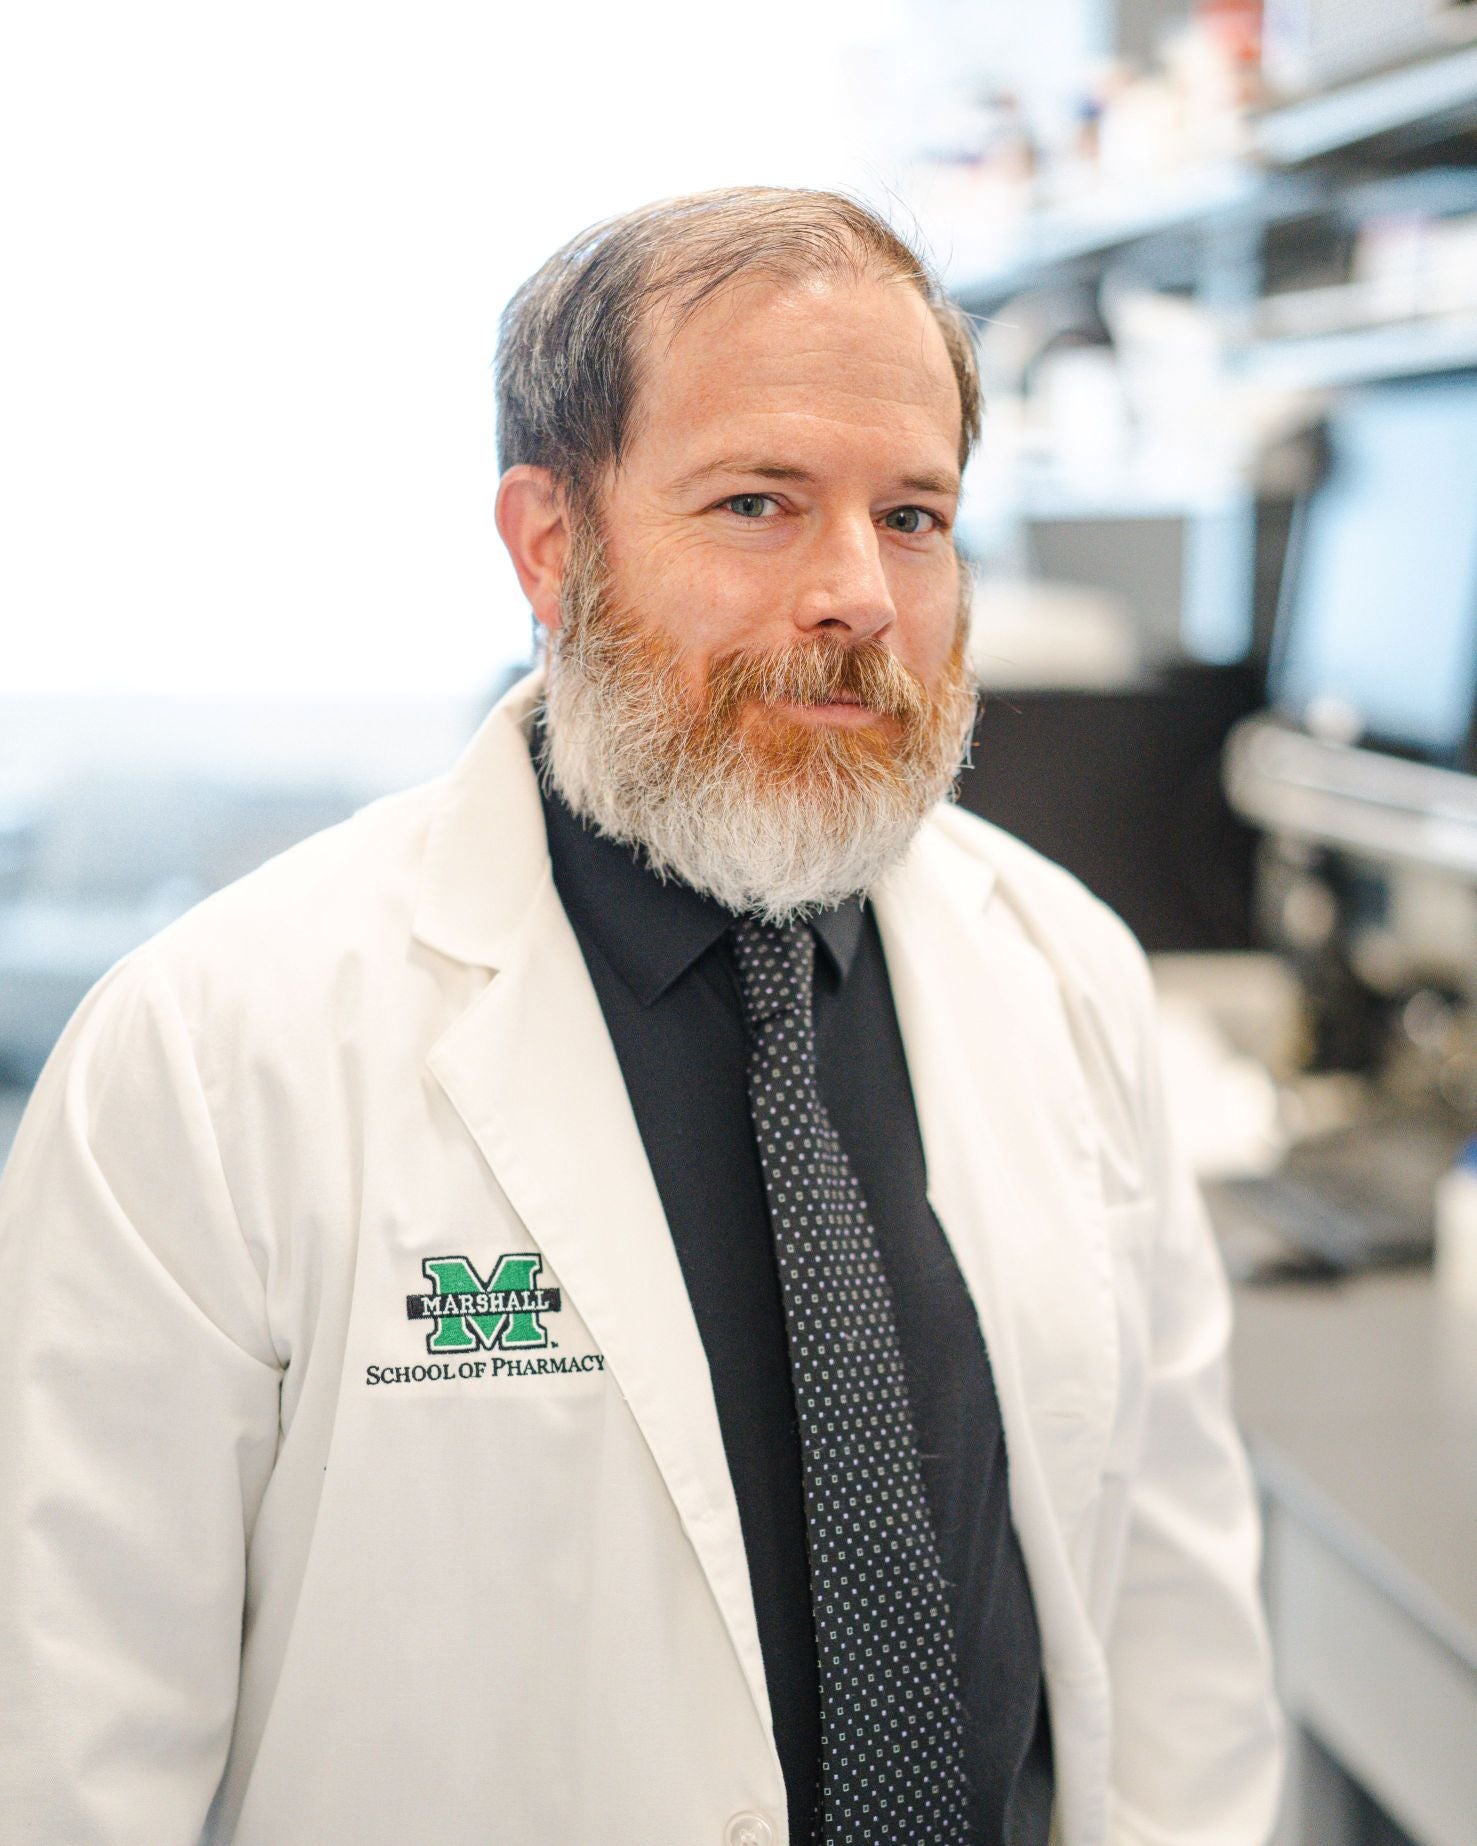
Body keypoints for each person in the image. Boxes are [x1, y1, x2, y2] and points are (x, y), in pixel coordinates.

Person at [0, 188, 1282, 1845]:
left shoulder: (1064, 968)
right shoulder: (213, 1052)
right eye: (757, 503)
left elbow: (1174, 1633)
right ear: (550, 543)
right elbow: (70, 1752)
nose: (857, 592)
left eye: (911, 515)